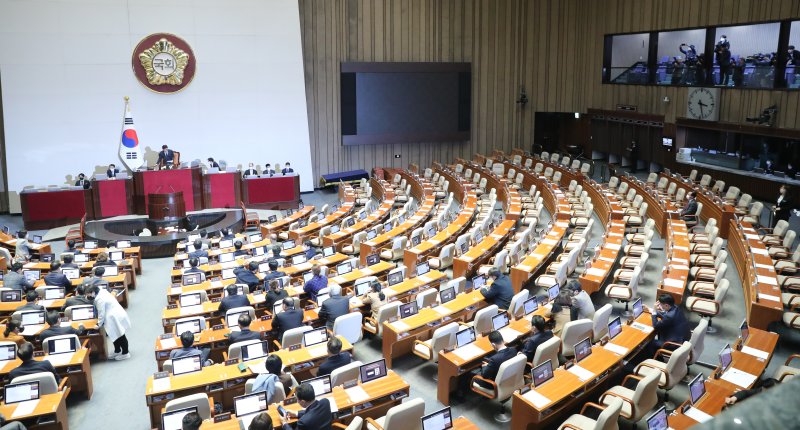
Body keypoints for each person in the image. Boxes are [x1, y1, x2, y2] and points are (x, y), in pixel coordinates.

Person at [88, 285, 132, 360]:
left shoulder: (99, 299)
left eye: (88, 294)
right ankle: (117, 351)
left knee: (120, 335)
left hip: (113, 317)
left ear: (93, 292)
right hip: (114, 314)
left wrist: (98, 324)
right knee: (114, 334)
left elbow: (101, 313)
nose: (87, 295)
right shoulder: (102, 291)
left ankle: (126, 353)